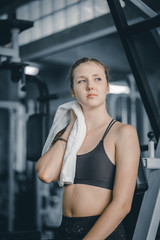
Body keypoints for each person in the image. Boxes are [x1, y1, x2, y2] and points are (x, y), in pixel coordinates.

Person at [36, 57, 140, 240]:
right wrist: (70, 127)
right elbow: (45, 173)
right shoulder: (69, 134)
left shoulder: (123, 133)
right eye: (81, 81)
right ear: (73, 92)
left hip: (102, 233)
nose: (90, 86)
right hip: (65, 230)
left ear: (107, 87)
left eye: (97, 79)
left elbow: (122, 204)